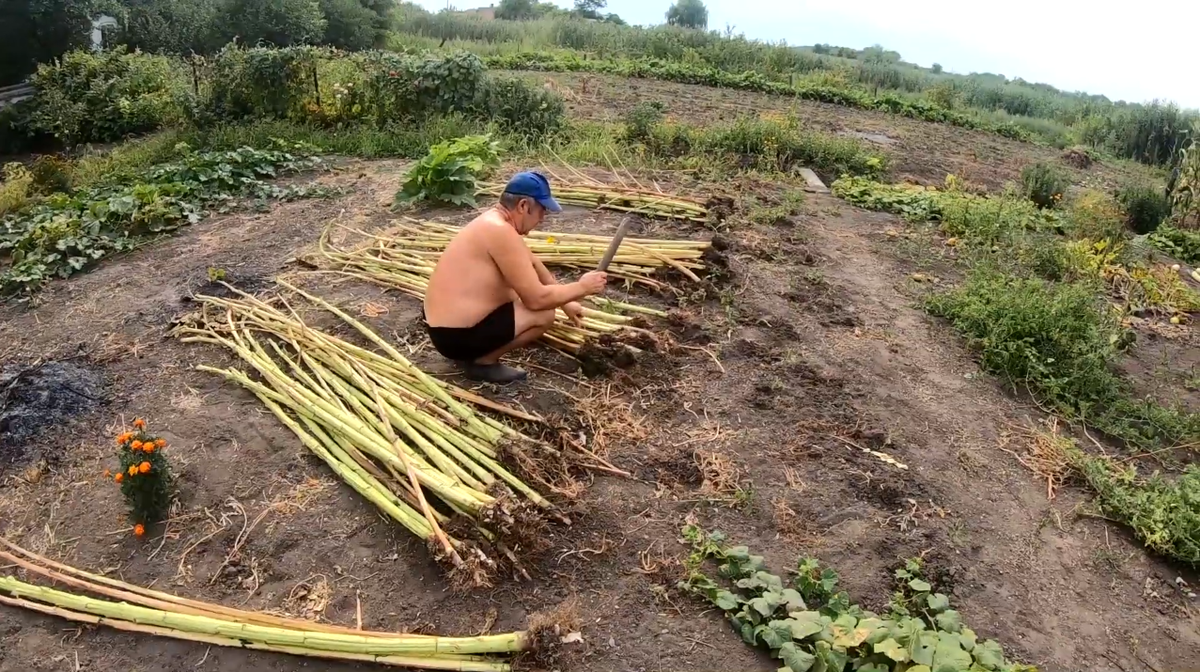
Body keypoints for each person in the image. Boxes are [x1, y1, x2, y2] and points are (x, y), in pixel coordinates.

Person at [423, 171, 608, 383]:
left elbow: (533, 262)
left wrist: (567, 303)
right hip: (454, 337)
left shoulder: (493, 223)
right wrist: (582, 287)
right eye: (541, 211)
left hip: (444, 328)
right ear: (523, 206)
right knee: (544, 314)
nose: (541, 219)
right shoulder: (500, 231)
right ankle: (482, 362)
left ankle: (474, 351)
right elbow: (537, 299)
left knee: (527, 295)